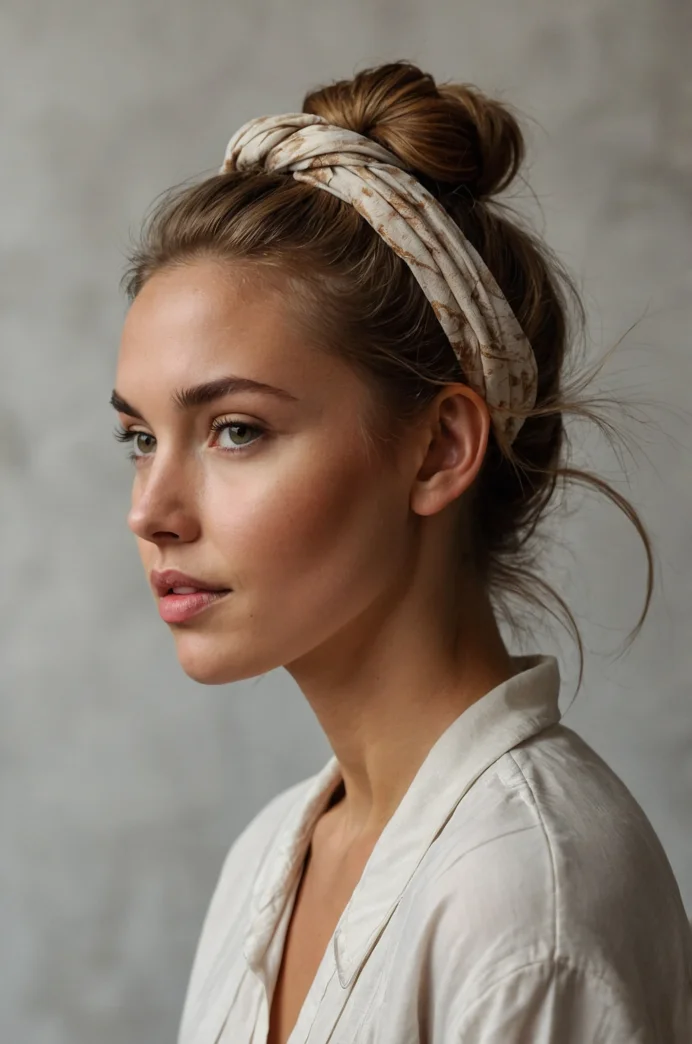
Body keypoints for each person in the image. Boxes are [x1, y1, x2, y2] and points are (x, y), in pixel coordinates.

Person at [111, 61, 692, 1043]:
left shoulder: (524, 899)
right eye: (139, 439)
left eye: (235, 430)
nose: (152, 511)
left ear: (438, 450)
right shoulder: (269, 860)